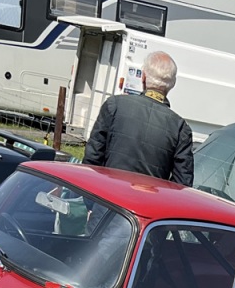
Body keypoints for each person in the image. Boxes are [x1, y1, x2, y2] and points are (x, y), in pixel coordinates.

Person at [83, 51, 194, 187]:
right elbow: (182, 185)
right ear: (173, 83)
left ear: (143, 77)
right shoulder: (180, 128)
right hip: (149, 200)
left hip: (108, 194)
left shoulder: (115, 105)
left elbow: (92, 159)